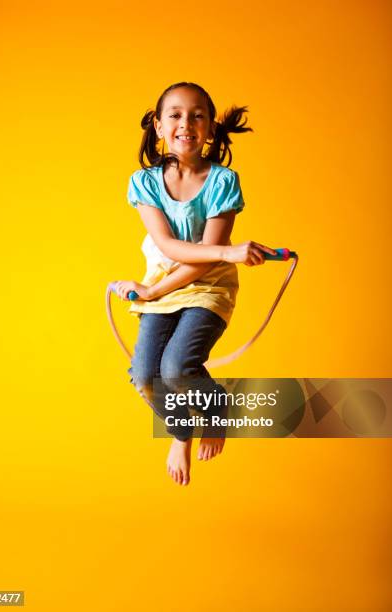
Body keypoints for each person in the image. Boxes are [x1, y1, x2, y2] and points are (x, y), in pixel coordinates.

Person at [114, 81, 276, 486]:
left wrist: (221, 255)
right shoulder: (146, 182)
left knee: (177, 368)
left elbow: (204, 261)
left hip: (208, 285)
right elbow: (169, 245)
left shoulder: (223, 181)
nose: (186, 123)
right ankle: (182, 431)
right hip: (164, 283)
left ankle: (216, 411)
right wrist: (152, 291)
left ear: (210, 129)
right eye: (175, 114)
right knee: (146, 376)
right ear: (157, 125)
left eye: (197, 115)